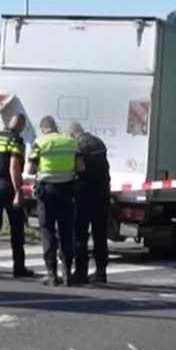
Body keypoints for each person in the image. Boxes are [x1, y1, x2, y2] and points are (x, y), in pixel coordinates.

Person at [0, 114, 34, 280]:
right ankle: (18, 266)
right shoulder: (16, 140)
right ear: (21, 125)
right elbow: (14, 168)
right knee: (16, 227)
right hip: (8, 187)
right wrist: (18, 191)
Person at [27, 114, 81, 286]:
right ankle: (67, 274)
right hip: (67, 191)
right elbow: (81, 167)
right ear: (55, 126)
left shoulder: (41, 142)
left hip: (47, 192)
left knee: (48, 231)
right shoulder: (71, 142)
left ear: (43, 128)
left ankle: (52, 274)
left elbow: (30, 169)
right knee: (66, 231)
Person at [68, 121, 112, 286]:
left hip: (84, 194)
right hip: (102, 193)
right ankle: (101, 271)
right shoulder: (99, 143)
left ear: (72, 134)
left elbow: (78, 169)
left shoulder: (78, 146)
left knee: (80, 233)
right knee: (100, 234)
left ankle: (81, 271)